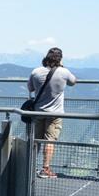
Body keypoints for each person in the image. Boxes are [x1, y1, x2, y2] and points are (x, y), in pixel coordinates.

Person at [27, 47, 77, 178]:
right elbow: (73, 82)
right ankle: (45, 169)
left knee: (36, 139)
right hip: (55, 113)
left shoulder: (36, 72)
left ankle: (30, 166)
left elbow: (30, 88)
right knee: (50, 140)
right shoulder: (63, 72)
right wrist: (62, 67)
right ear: (60, 59)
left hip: (38, 112)